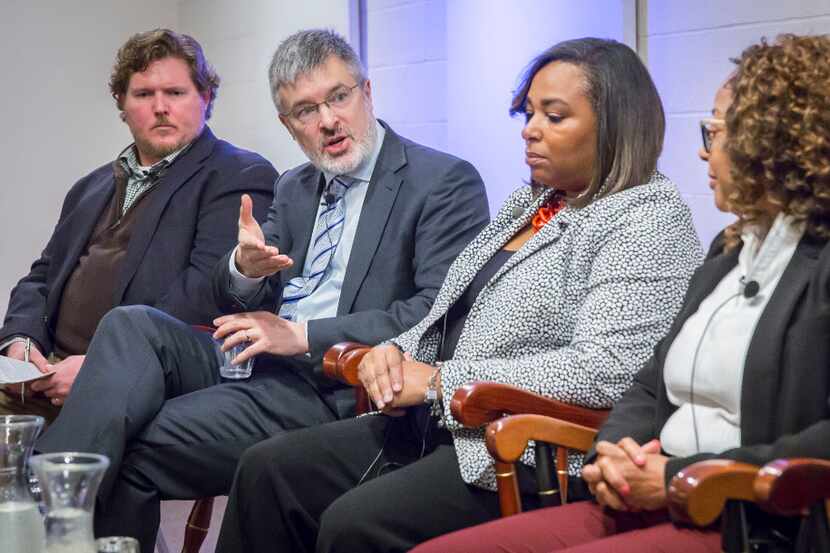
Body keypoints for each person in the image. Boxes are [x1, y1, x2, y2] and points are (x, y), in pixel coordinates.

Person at [214, 37, 704, 553]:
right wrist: (398, 354)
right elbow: (452, 315)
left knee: (352, 523)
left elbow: (606, 370)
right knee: (266, 470)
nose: (530, 130)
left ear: (616, 125)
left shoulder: (646, 219)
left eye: (554, 117)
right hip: (438, 422)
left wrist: (440, 381)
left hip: (520, 451)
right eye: (529, 113)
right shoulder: (534, 203)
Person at [35, 29, 489, 552]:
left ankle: (41, 509)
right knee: (129, 323)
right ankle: (45, 494)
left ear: (367, 91)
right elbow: (242, 298)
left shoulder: (441, 181)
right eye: (304, 111)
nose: (327, 121)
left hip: (335, 385)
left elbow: (437, 315)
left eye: (338, 97)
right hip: (256, 363)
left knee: (130, 447)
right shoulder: (296, 187)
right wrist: (244, 270)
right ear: (288, 125)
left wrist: (301, 336)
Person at [410, 33, 830, 553]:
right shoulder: (729, 251)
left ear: (777, 144)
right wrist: (612, 453)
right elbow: (649, 383)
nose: (703, 149)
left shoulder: (816, 264)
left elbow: (606, 367)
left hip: (752, 519)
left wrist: (677, 473)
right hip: (647, 492)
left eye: (717, 131)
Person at [0, 28, 276, 421]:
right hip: (40, 374)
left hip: (128, 382)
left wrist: (101, 368)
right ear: (122, 104)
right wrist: (21, 342)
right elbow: (42, 276)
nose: (160, 107)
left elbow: (203, 293)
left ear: (205, 97)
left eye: (176, 93)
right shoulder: (91, 186)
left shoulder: (238, 175)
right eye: (144, 95)